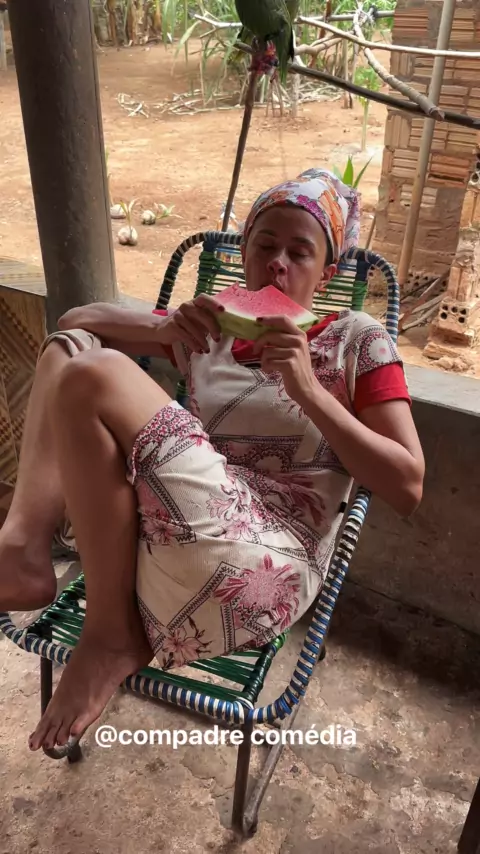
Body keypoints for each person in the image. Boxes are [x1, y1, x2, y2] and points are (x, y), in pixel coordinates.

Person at [0, 168, 424, 752]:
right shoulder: (211, 331)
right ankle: (23, 549)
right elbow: (72, 325)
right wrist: (165, 325)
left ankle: (109, 633)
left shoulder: (358, 338)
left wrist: (308, 389)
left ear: (327, 273)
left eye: (299, 252)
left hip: (261, 562)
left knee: (91, 372)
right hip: (166, 528)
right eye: (264, 245)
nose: (278, 263)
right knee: (68, 352)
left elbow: (407, 487)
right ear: (244, 253)